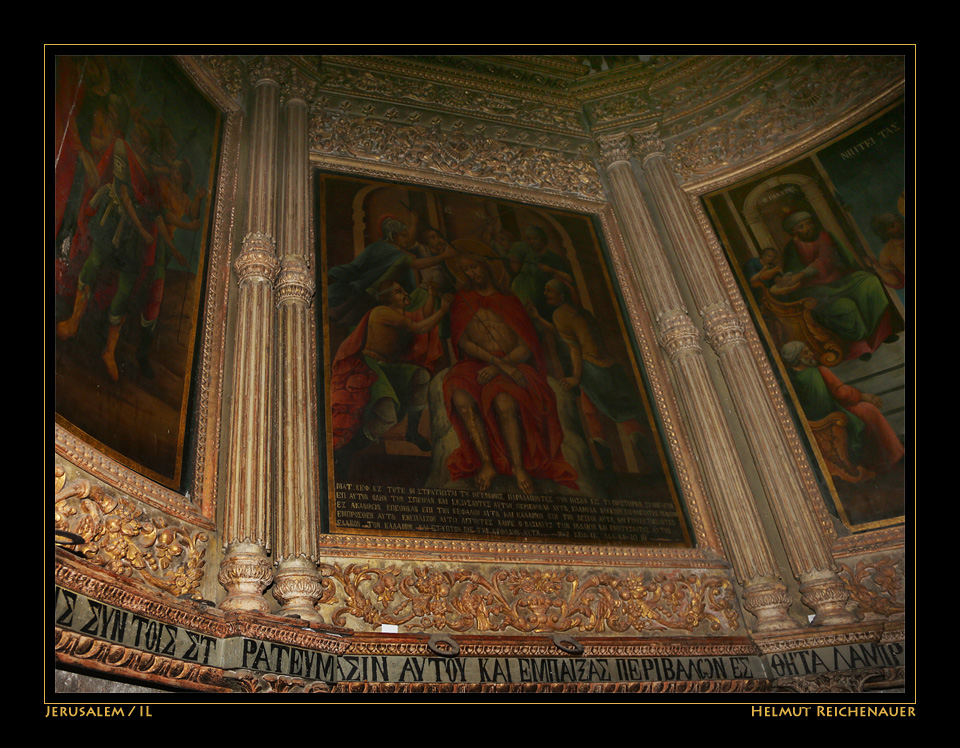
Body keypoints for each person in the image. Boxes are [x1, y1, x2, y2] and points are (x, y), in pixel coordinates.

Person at [442, 253, 578, 494]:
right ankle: (487, 464)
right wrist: (494, 362)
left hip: (513, 362)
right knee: (460, 397)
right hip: (476, 362)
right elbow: (463, 342)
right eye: (465, 271)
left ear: (485, 265)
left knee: (504, 402)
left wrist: (500, 365)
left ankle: (518, 467)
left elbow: (526, 345)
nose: (471, 273)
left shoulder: (509, 300)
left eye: (474, 266)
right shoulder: (463, 301)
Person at [56, 117, 162, 382]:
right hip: (112, 218)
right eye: (135, 132)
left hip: (131, 239)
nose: (137, 139)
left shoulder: (149, 172)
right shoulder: (121, 149)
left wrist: (144, 230)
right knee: (93, 263)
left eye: (143, 137)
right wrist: (143, 231)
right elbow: (125, 196)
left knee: (125, 289)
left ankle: (109, 351)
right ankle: (73, 322)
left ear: (147, 146)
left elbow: (152, 207)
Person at [528, 279, 655, 472]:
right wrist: (538, 319)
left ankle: (612, 472)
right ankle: (648, 467)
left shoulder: (560, 314)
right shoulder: (580, 312)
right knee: (607, 413)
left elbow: (574, 349)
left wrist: (576, 378)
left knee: (607, 415)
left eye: (549, 291)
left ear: (561, 296)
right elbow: (565, 333)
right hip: (610, 367)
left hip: (591, 369)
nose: (546, 295)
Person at [332, 281, 453, 470]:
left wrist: (430, 296)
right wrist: (443, 311)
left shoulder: (400, 314)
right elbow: (420, 327)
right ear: (387, 297)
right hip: (369, 366)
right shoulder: (382, 312)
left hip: (390, 367)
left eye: (403, 290)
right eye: (399, 291)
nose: (405, 294)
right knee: (387, 416)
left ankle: (412, 431)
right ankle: (345, 454)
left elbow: (425, 317)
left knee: (421, 376)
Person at [778, 211, 893, 360]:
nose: (808, 228)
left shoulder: (824, 236)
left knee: (870, 282)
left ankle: (879, 336)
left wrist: (802, 274)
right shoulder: (791, 248)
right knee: (847, 307)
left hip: (841, 282)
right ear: (794, 230)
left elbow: (827, 258)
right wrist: (790, 277)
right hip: (817, 292)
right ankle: (860, 345)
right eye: (802, 226)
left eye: (809, 223)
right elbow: (791, 271)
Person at [781, 341, 904, 475]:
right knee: (868, 411)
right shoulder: (818, 371)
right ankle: (892, 456)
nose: (811, 354)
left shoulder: (789, 378)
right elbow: (841, 393)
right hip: (832, 414)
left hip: (814, 421)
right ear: (798, 357)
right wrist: (862, 396)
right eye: (806, 352)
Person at [327, 214, 456, 328]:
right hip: (376, 295)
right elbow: (416, 264)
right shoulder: (397, 255)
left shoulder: (378, 246)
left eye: (406, 235)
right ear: (393, 236)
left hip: (369, 292)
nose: (407, 239)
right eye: (403, 235)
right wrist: (443, 256)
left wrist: (414, 223)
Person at [507, 226, 574, 320]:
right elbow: (515, 264)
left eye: (535, 238)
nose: (532, 242)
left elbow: (569, 279)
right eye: (529, 239)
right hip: (522, 297)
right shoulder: (527, 254)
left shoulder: (553, 258)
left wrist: (551, 270)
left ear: (543, 240)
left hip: (543, 300)